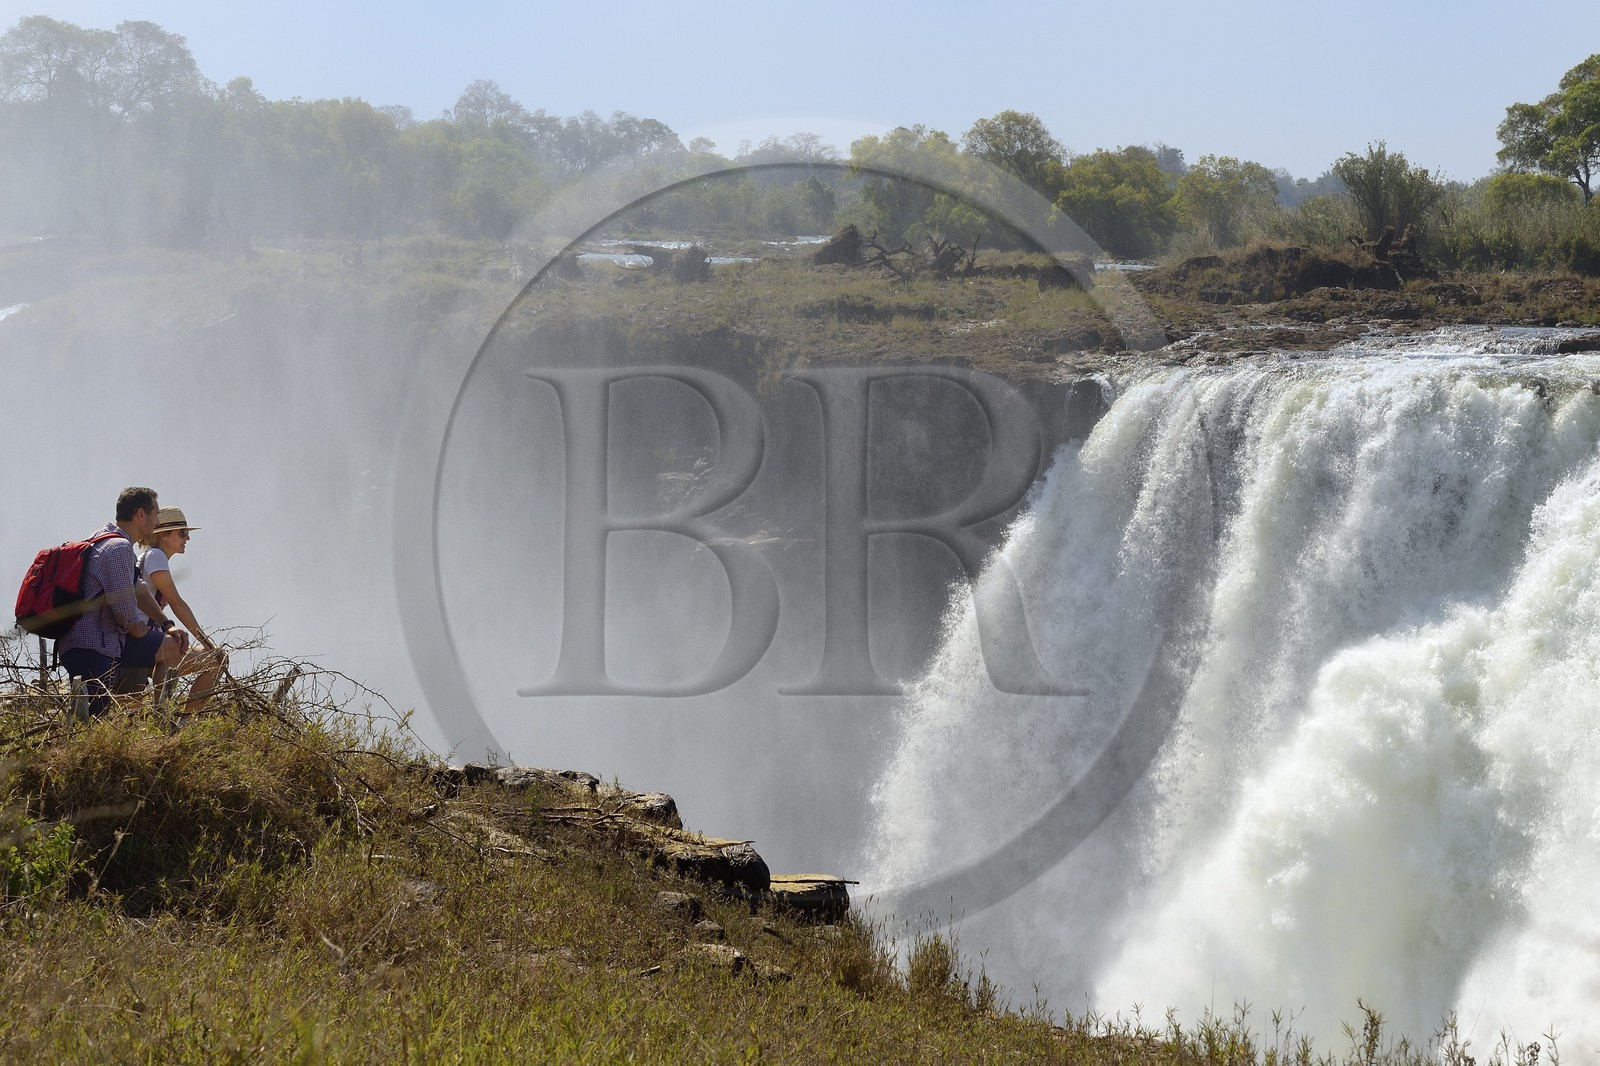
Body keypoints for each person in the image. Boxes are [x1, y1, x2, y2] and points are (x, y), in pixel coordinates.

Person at [57, 487, 181, 719]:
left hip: (91, 643)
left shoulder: (105, 539)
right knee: (92, 719)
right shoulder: (118, 549)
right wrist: (144, 629)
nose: (156, 523)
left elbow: (138, 589)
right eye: (155, 515)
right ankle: (161, 719)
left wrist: (166, 624)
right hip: (92, 646)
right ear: (141, 514)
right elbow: (127, 617)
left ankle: (161, 718)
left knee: (169, 645)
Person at [138, 506, 227, 712]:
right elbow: (177, 604)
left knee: (173, 655)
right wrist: (207, 643)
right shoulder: (156, 556)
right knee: (217, 660)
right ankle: (178, 721)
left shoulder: (148, 556)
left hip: (144, 638)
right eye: (182, 533)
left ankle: (166, 718)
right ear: (163, 534)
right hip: (142, 640)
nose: (187, 538)